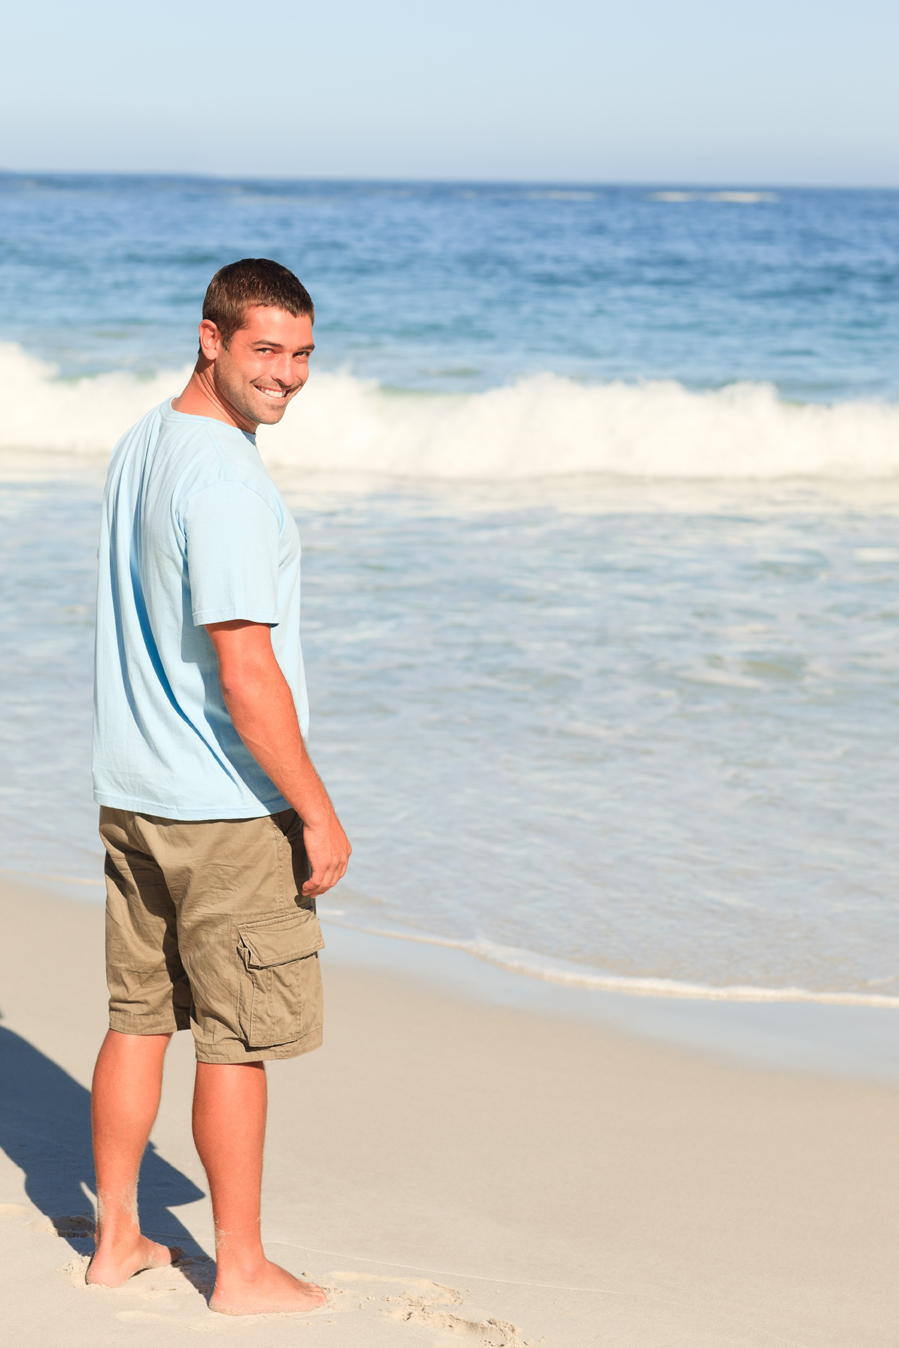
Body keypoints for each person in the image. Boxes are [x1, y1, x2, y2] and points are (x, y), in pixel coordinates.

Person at [88, 258, 350, 1315]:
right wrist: (316, 809)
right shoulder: (229, 480)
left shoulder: (144, 441)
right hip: (224, 806)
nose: (285, 376)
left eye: (301, 356)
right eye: (264, 352)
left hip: (132, 787)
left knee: (137, 1016)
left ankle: (117, 1240)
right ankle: (238, 1269)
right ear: (210, 338)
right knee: (239, 1040)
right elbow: (246, 673)